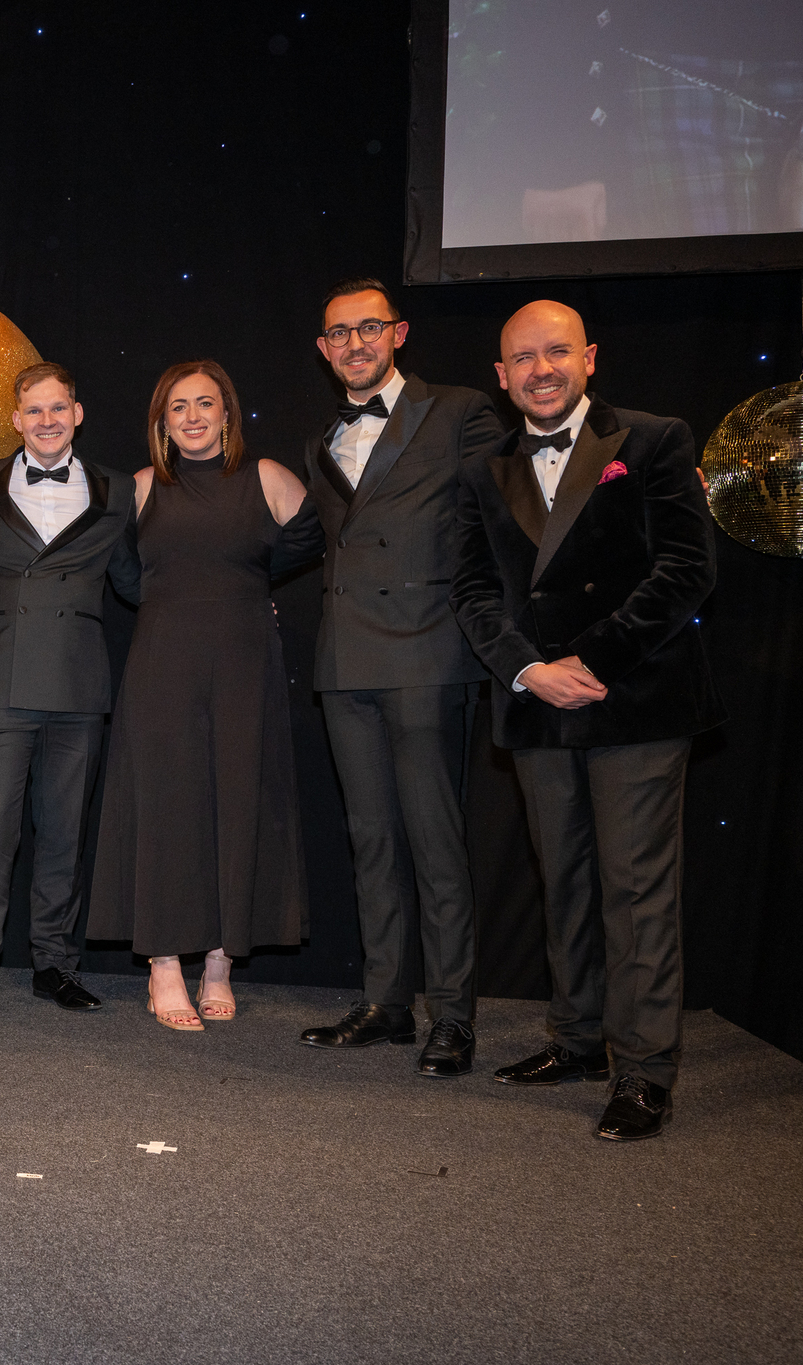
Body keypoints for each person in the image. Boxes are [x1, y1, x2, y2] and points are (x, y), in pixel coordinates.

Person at [452, 300, 722, 1141]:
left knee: (635, 890)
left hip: (632, 699)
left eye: (557, 351)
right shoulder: (483, 470)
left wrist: (591, 660)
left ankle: (644, 1069)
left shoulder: (656, 439)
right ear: (501, 376)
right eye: (523, 358)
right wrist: (530, 670)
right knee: (563, 879)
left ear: (590, 357)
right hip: (537, 704)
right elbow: (473, 591)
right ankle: (576, 1039)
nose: (542, 370)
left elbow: (686, 570)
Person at [295, 278, 507, 1078]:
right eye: (339, 333)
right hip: (345, 660)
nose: (354, 343)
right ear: (323, 349)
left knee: (435, 840)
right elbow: (312, 539)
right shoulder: (321, 441)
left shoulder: (459, 412)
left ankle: (452, 1015)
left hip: (426, 652)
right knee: (372, 838)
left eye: (369, 328)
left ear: (399, 333)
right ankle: (386, 1001)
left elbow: (504, 513)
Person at [87, 361, 324, 1030]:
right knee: (167, 803)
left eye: (205, 403)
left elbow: (309, 540)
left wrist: (248, 589)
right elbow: (125, 577)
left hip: (245, 661)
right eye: (178, 406)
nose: (192, 416)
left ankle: (219, 962)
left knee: (240, 798)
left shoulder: (268, 478)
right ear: (162, 422)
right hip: (163, 662)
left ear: (227, 413)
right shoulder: (140, 488)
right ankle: (164, 964)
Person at [0, 362, 140, 1022]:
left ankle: (55, 962)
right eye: (35, 410)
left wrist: (233, 597)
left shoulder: (117, 489)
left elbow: (137, 580)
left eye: (59, 408)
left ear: (77, 414)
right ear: (16, 419)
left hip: (78, 680)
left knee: (64, 830)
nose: (48, 420)